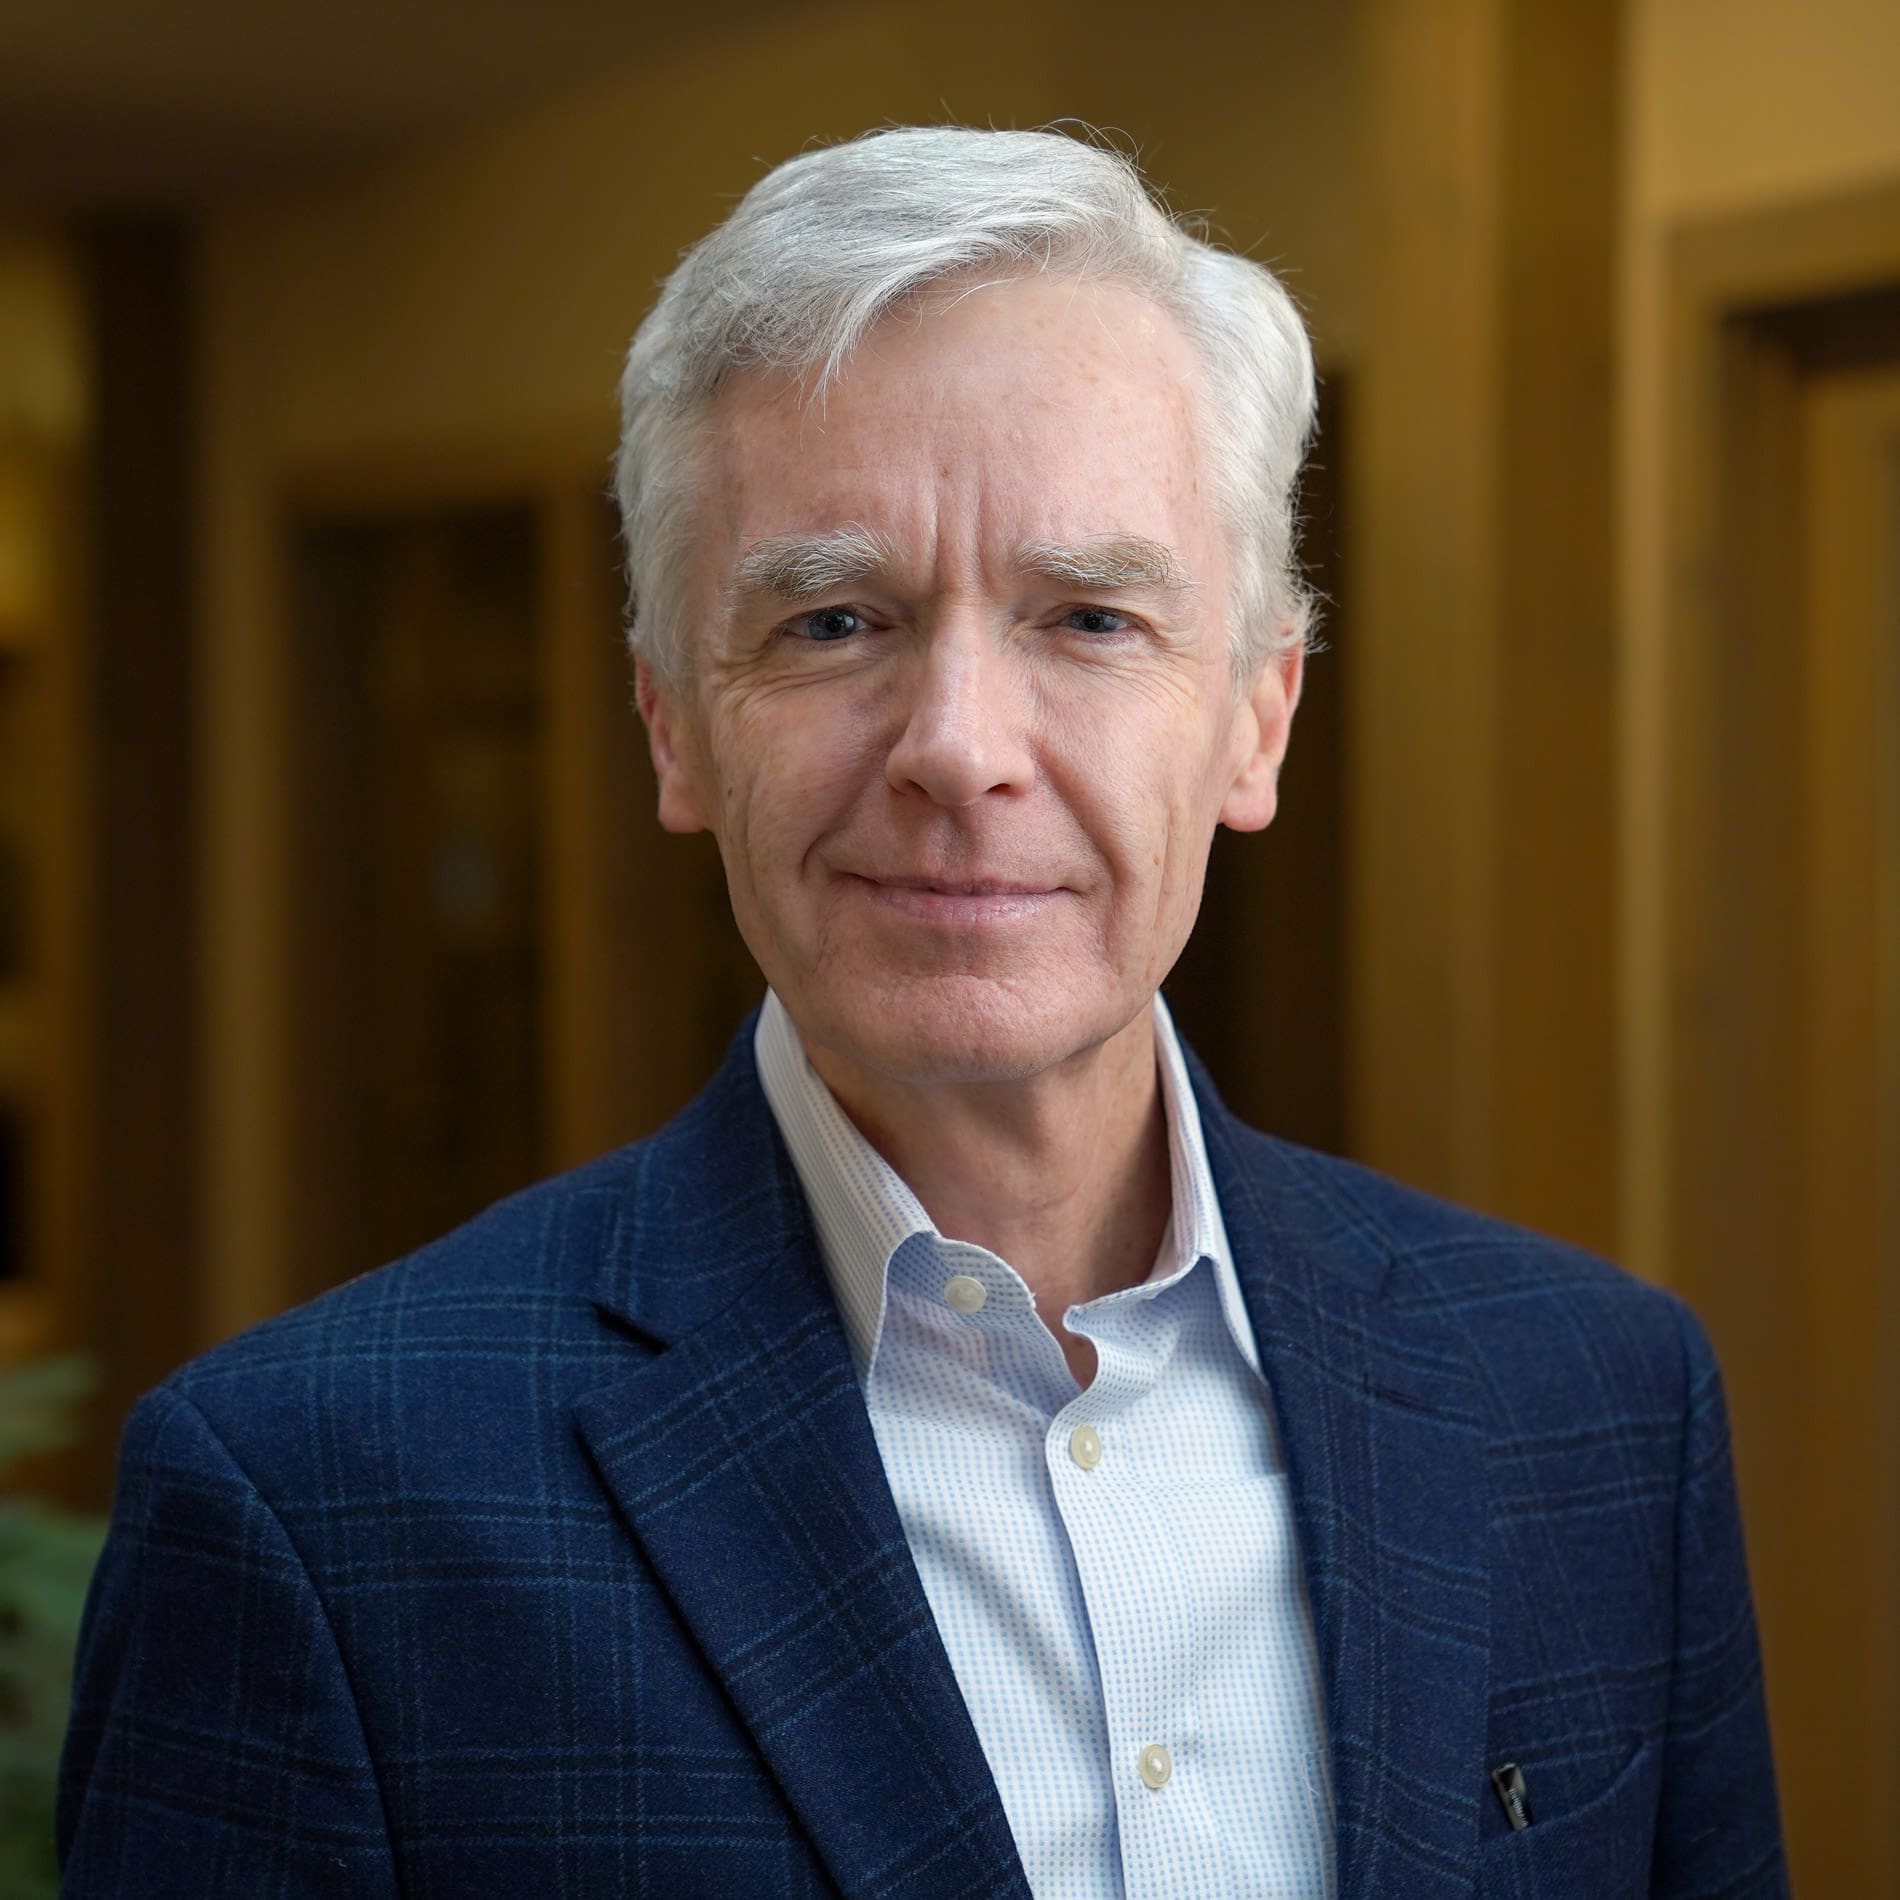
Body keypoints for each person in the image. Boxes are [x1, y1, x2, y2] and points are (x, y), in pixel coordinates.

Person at [58, 126, 1785, 1899]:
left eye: (1090, 617)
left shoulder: (1594, 1410)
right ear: (673, 725)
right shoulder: (317, 1503)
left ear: (1258, 718)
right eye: (831, 622)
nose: (959, 746)